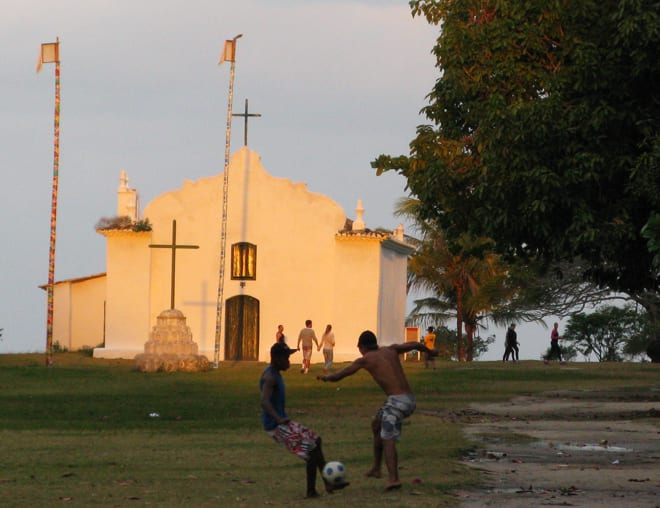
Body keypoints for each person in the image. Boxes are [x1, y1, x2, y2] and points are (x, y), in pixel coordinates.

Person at [317, 330, 438, 491]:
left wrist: (326, 377)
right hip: (408, 398)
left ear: (362, 347)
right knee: (377, 424)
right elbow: (415, 344)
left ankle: (394, 479)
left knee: (387, 438)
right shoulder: (391, 349)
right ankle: (376, 469)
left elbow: (341, 375)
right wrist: (430, 351)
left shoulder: (365, 359)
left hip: (397, 402)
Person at [260, 342, 349, 498]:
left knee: (316, 439)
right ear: (276, 358)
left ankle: (328, 482)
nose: (289, 361)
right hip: (275, 425)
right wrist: (278, 419)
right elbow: (264, 401)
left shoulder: (275, 373)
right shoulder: (270, 377)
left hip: (283, 421)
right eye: (286, 358)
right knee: (311, 450)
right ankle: (311, 492)